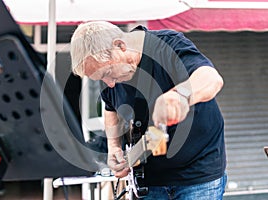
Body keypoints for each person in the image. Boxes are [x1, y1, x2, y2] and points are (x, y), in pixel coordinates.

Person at [70, 21, 227, 200]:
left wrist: (180, 96)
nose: (110, 84)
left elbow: (211, 78)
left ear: (120, 46)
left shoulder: (168, 44)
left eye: (108, 74)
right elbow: (110, 106)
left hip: (197, 175)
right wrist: (114, 147)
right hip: (150, 181)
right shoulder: (108, 73)